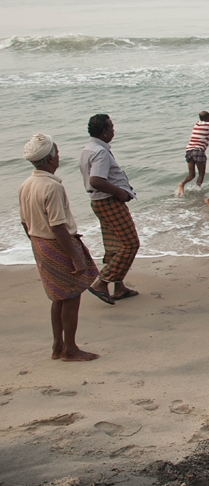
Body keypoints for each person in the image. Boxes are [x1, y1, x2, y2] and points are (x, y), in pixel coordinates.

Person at [20, 134, 103, 361]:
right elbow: (57, 226)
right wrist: (75, 256)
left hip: (39, 243)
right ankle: (71, 349)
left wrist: (40, 247)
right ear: (49, 159)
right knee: (72, 296)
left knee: (58, 297)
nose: (59, 156)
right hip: (57, 243)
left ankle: (58, 346)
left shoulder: (26, 184)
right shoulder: (51, 187)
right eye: (57, 152)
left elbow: (25, 223)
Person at [80, 114, 140, 301]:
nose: (114, 131)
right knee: (131, 244)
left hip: (99, 201)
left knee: (115, 244)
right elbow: (96, 180)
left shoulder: (89, 148)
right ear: (104, 131)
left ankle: (119, 287)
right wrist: (119, 192)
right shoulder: (100, 152)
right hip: (108, 201)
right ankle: (101, 282)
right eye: (112, 128)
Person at [177, 109, 209, 197]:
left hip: (189, 150)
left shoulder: (197, 124)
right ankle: (197, 190)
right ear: (208, 117)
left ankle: (182, 184)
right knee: (201, 174)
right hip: (198, 151)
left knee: (191, 174)